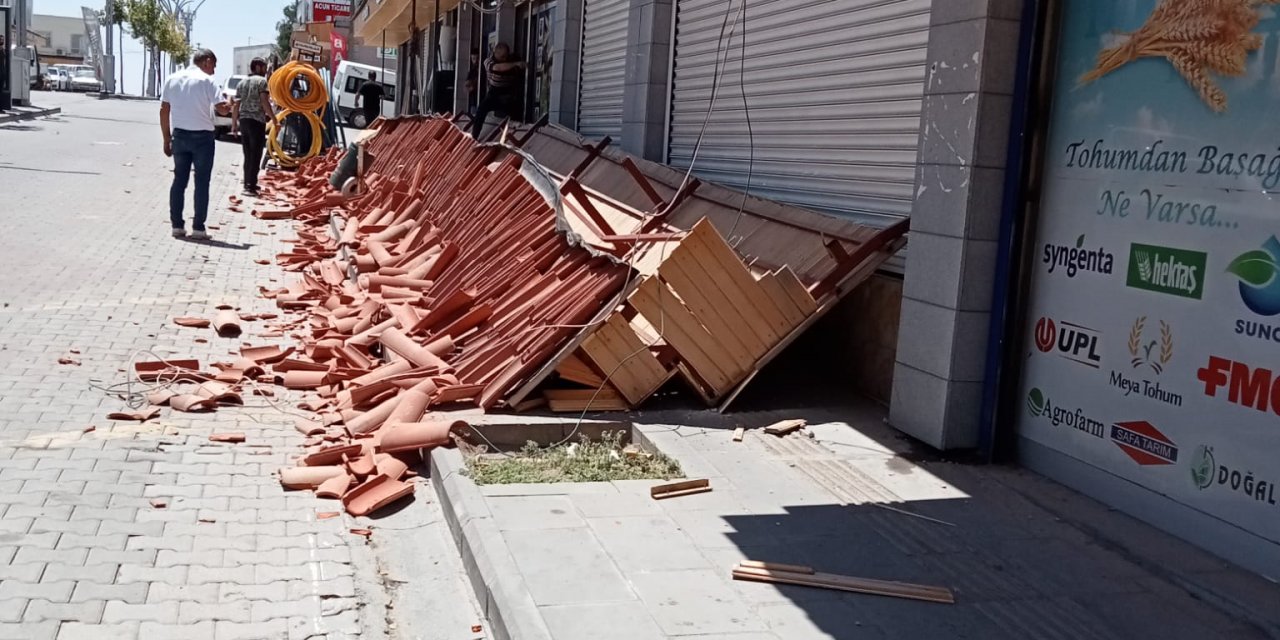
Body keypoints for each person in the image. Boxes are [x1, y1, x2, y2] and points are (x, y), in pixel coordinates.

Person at [160, 48, 225, 240]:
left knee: (179, 180)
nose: (213, 70)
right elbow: (221, 110)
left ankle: (177, 226)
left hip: (179, 135)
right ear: (205, 61)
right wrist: (230, 105)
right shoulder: (207, 81)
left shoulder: (172, 79)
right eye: (213, 65)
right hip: (203, 138)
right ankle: (198, 228)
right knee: (202, 182)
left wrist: (166, 138)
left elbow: (164, 110)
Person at [231, 57, 274, 196]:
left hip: (244, 121)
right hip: (256, 121)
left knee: (247, 153)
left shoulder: (241, 83)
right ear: (257, 67)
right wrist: (274, 119)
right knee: (256, 154)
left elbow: (236, 105)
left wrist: (234, 124)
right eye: (264, 67)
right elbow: (264, 101)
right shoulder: (262, 82)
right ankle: (250, 186)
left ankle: (248, 183)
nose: (266, 70)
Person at [470, 43, 525, 139]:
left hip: (508, 92)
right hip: (494, 92)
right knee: (481, 110)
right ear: (495, 53)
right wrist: (515, 64)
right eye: (502, 57)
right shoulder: (488, 61)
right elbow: (498, 68)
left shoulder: (511, 60)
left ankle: (519, 131)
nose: (504, 59)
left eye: (506, 56)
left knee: (516, 107)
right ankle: (474, 136)